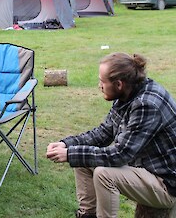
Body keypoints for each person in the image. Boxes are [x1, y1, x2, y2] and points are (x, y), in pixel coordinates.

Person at [46, 52, 176, 218]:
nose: (99, 86)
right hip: (146, 170)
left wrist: (70, 154)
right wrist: (67, 144)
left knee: (103, 174)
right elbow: (103, 133)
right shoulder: (129, 92)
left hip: (166, 184)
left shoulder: (146, 104)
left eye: (102, 81)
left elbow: (120, 155)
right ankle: (87, 214)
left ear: (119, 84)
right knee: (82, 156)